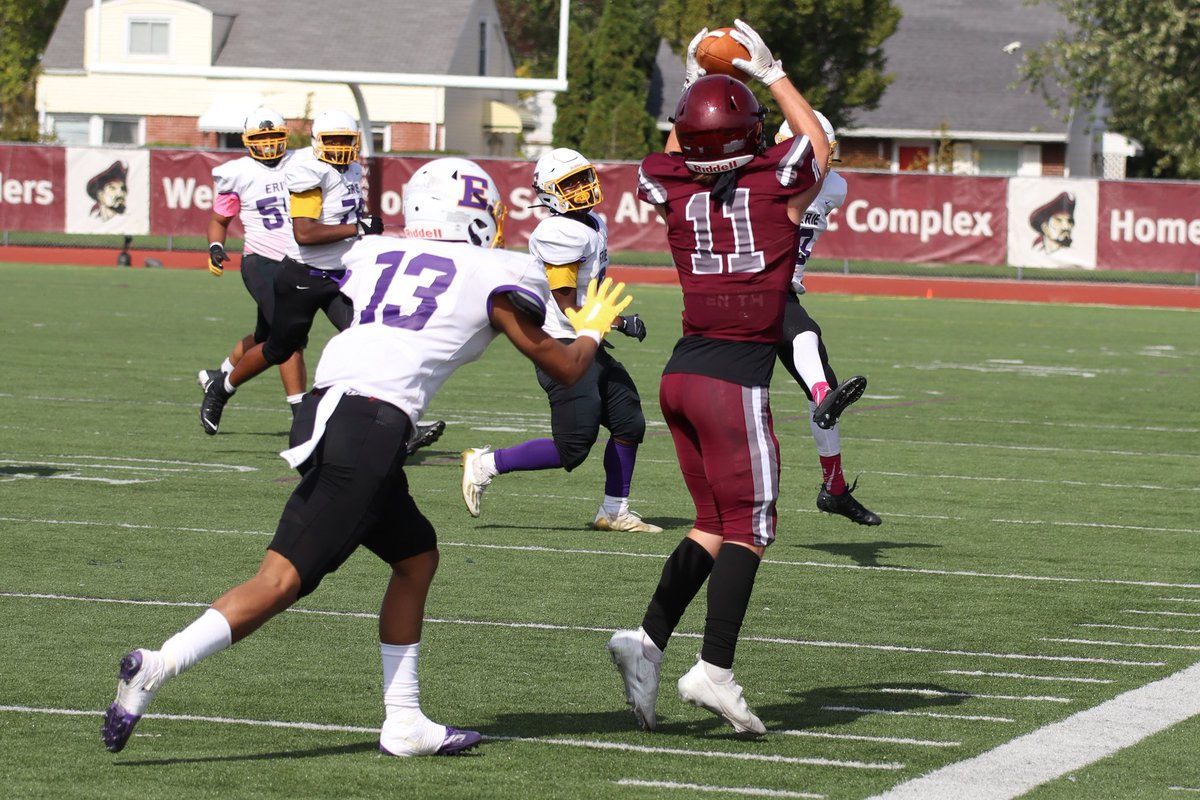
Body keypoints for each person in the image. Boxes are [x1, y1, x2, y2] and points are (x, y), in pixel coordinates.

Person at [102, 157, 633, 758]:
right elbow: (565, 364)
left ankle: (404, 721)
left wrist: (286, 336)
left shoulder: (370, 250)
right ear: (477, 215)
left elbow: (294, 276)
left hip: (332, 411)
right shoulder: (496, 269)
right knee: (279, 581)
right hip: (372, 426)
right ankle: (157, 665)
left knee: (416, 556)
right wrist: (590, 327)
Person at [606, 19, 829, 736]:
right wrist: (769, 74)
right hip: (735, 380)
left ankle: (645, 642)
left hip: (681, 373)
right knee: (754, 527)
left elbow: (678, 153)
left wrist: (697, 93)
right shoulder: (775, 188)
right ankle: (715, 669)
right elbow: (814, 147)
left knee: (713, 524)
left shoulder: (666, 179)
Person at [198, 108, 446, 453]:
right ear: (317, 143)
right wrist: (357, 228)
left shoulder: (353, 169)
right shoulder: (308, 171)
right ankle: (222, 386)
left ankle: (400, 426)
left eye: (347, 141)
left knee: (374, 342)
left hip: (340, 275)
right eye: (333, 141)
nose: (341, 148)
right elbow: (305, 232)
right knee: (278, 347)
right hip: (302, 274)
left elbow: (349, 219)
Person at [460, 148, 660, 533]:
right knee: (572, 448)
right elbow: (566, 300)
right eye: (570, 183)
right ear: (550, 192)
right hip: (564, 345)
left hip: (588, 339)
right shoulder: (559, 232)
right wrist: (616, 321)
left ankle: (614, 512)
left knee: (628, 421)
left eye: (584, 177)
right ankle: (484, 465)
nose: (582, 188)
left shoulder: (592, 223)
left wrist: (606, 325)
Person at [774, 116, 880, 526]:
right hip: (746, 290)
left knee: (808, 344)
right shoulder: (762, 178)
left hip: (781, 293)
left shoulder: (834, 187)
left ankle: (834, 488)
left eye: (826, 154)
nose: (822, 162)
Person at [196, 107, 307, 417]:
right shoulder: (238, 172)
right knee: (290, 339)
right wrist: (216, 246)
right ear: (248, 140)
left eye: (274, 136)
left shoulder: (303, 161)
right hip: (262, 262)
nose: (269, 143)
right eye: (262, 137)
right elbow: (219, 219)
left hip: (297, 262)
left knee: (264, 338)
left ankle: (219, 377)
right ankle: (302, 415)